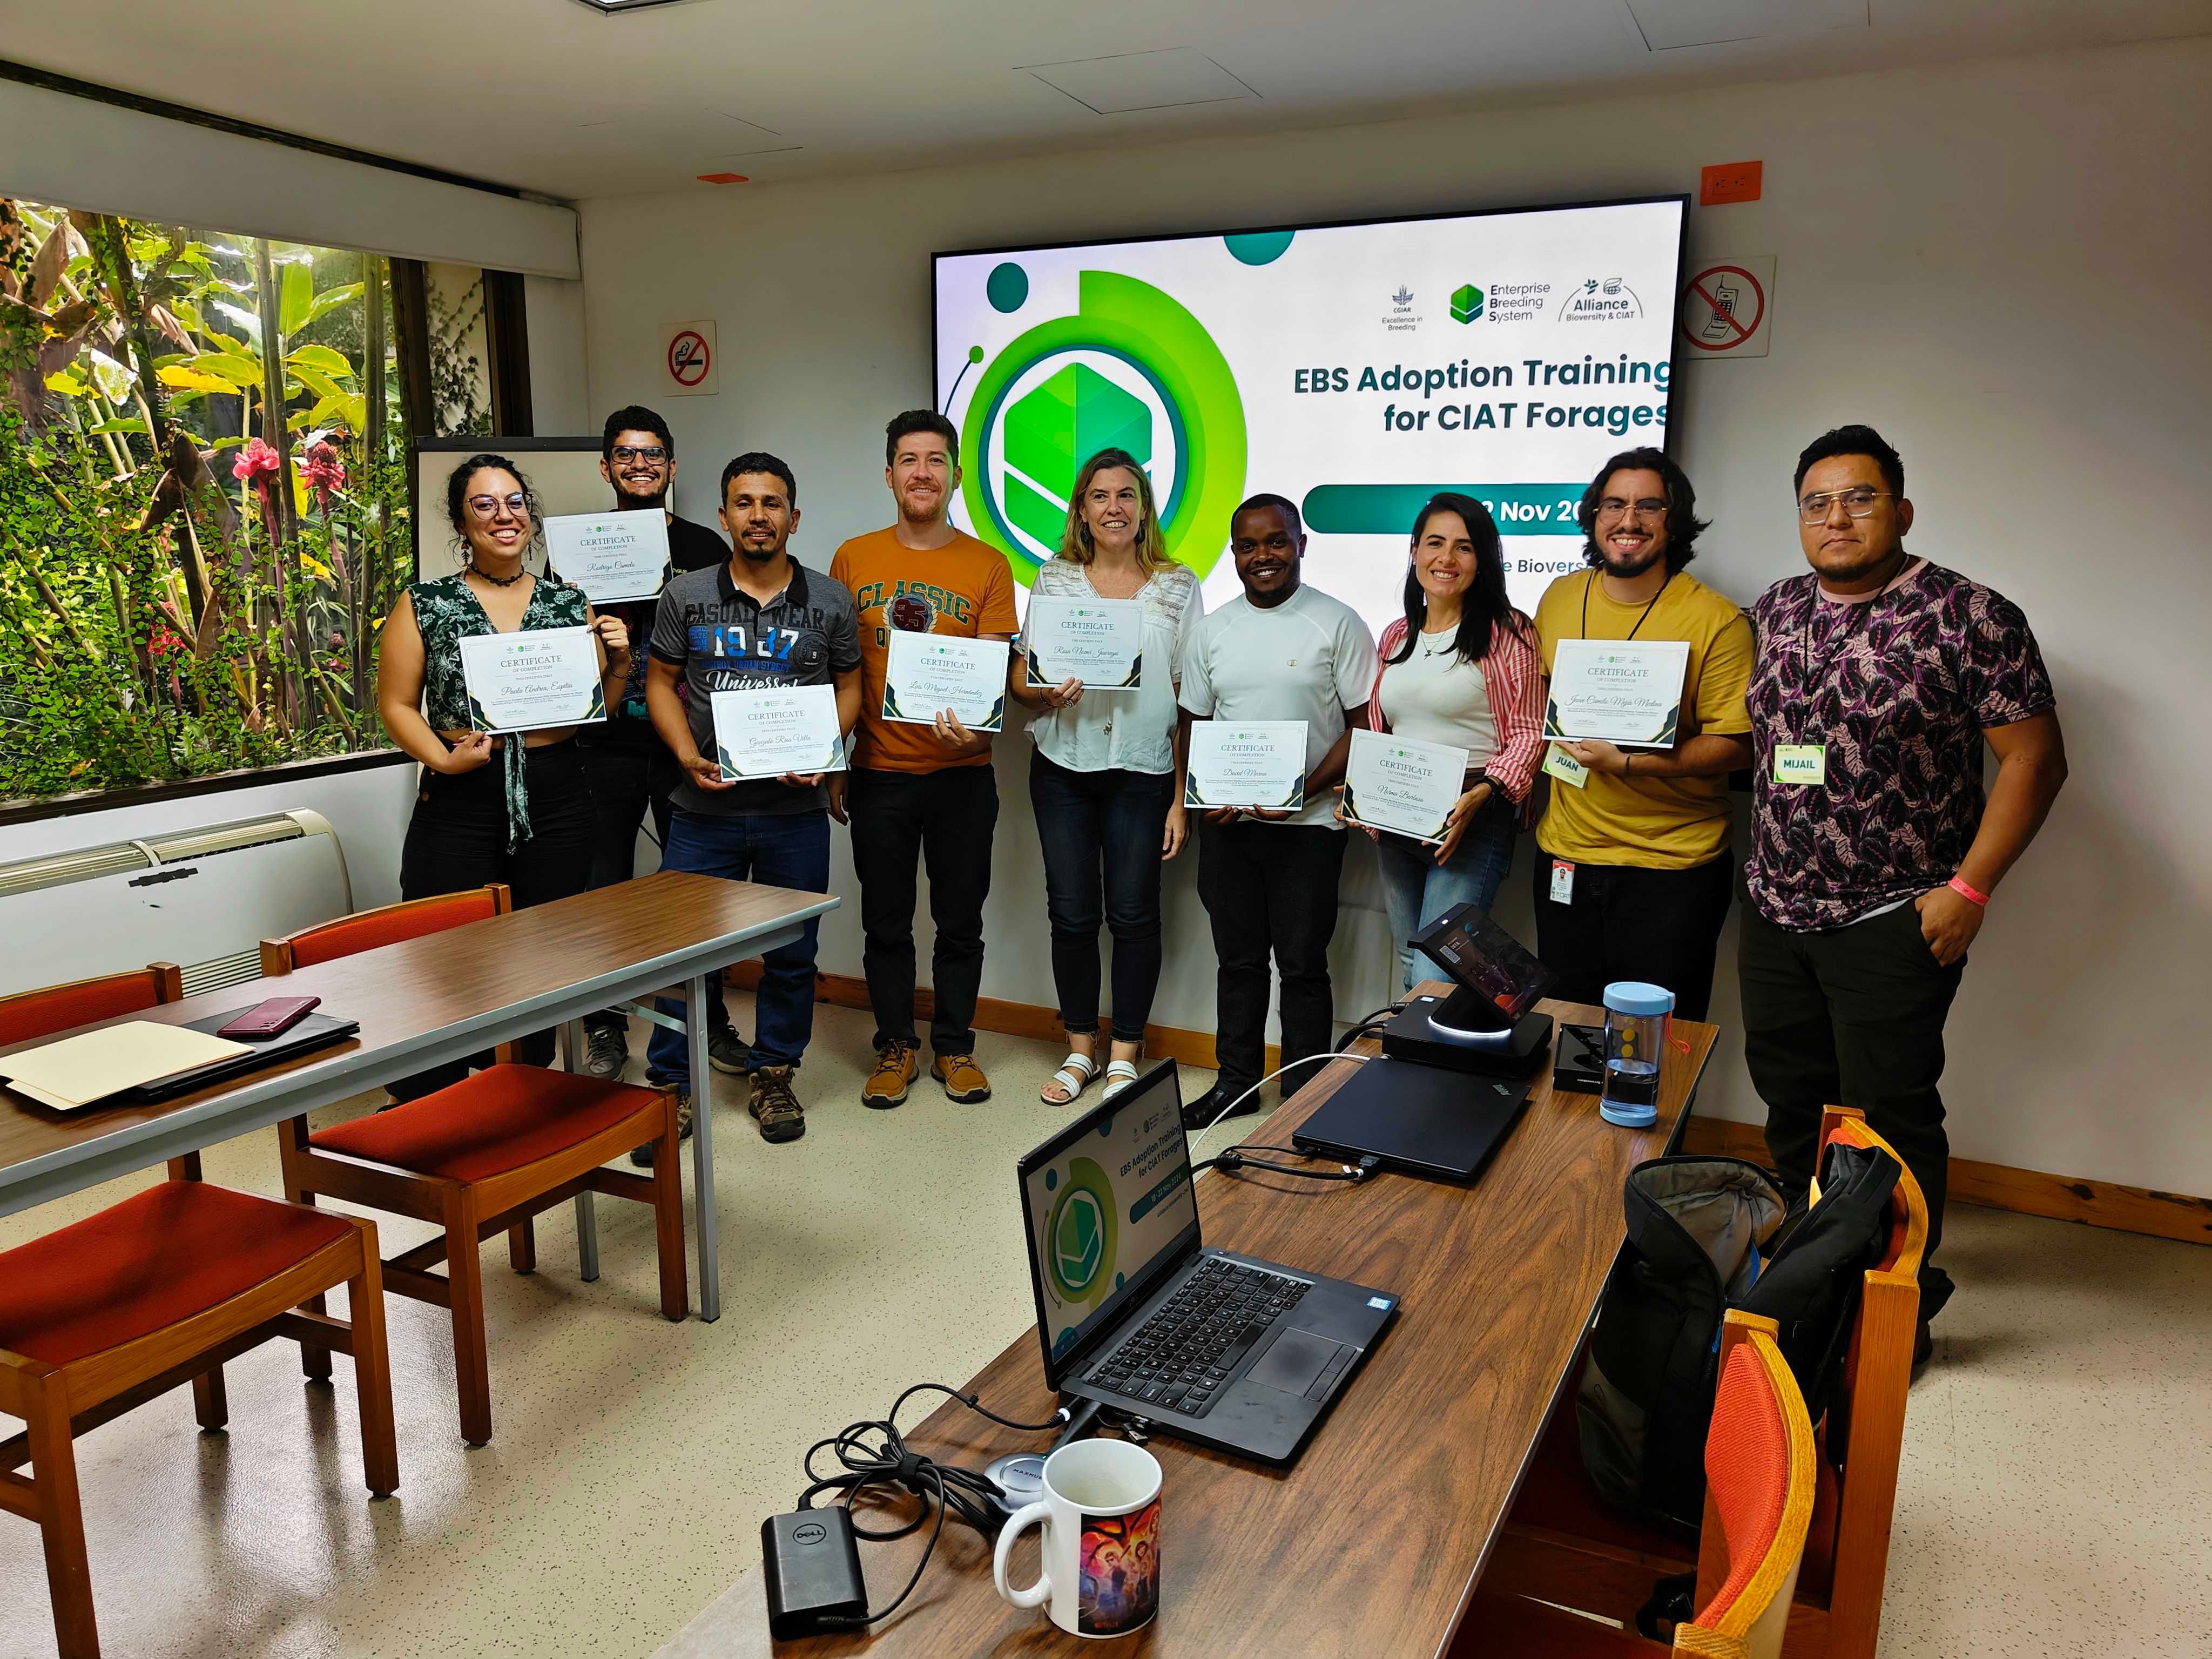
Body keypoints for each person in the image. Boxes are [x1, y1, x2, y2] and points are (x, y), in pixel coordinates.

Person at [1741, 424, 2067, 1359]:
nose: (1835, 516)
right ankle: (1810, 1280)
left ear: (1902, 509)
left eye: (1859, 497)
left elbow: (2035, 762)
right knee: (1794, 1103)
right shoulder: (1774, 610)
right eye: (1816, 501)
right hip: (1774, 909)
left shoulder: (1972, 615)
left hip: (1895, 913)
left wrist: (1970, 887)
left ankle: (1894, 1315)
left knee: (1889, 1114)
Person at [375, 454, 631, 1099]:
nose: (503, 516)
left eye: (514, 501)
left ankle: (517, 1087)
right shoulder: (426, 603)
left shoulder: (568, 601)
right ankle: (433, 1095)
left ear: (531, 513)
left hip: (557, 795)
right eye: (484, 504)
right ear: (463, 520)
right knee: (447, 946)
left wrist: (621, 661)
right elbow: (396, 705)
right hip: (462, 793)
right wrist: (440, 758)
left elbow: (593, 705)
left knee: (539, 949)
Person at [640, 453, 861, 1152]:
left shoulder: (828, 600)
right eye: (744, 502)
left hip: (793, 815)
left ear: (793, 518)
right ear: (724, 515)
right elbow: (658, 682)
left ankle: (773, 1072)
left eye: (772, 503)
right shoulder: (685, 596)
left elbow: (851, 686)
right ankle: (670, 1085)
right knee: (680, 955)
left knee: (792, 954)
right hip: (702, 811)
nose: (758, 515)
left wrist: (824, 748)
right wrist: (683, 754)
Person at [828, 412, 1019, 1109]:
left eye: (936, 461)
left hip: (962, 780)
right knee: (885, 922)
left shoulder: (987, 564)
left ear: (956, 476)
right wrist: (833, 760)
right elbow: (837, 669)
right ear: (888, 475)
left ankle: (954, 1048)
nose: (921, 473)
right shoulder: (853, 558)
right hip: (878, 774)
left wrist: (978, 736)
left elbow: (996, 671)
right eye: (908, 460)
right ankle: (895, 1046)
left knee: (960, 923)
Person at [1177, 493, 1378, 1132]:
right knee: (1236, 964)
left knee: (1301, 966)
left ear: (1299, 544)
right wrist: (1200, 797)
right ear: (1233, 553)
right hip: (1230, 831)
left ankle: (1303, 1099)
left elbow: (1362, 728)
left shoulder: (1337, 622)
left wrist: (1298, 789)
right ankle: (1235, 1085)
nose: (1262, 556)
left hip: (1310, 829)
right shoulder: (1212, 632)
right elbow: (1193, 724)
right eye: (1247, 545)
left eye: (1275, 542)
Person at [1530, 449, 1754, 1021]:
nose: (1628, 520)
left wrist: (1627, 763)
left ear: (1673, 520)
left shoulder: (1715, 619)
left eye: (1648, 505)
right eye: (1614, 504)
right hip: (1567, 857)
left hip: (1670, 870)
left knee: (1656, 1047)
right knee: (1568, 1032)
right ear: (1593, 515)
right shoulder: (1557, 598)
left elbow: (1734, 746)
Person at [1007, 448, 1201, 1105]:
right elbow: (1022, 682)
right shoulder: (1054, 578)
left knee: (1135, 915)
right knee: (1071, 914)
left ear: (1144, 507)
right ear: (1081, 511)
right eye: (1099, 496)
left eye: (1126, 495)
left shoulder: (1178, 585)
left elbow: (1188, 698)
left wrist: (1180, 798)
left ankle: (1126, 1053)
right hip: (1063, 764)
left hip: (1144, 771)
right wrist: (1043, 695)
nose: (1113, 508)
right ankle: (1080, 1050)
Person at [571, 406, 740, 1084]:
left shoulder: (706, 548)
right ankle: (605, 1027)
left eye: (652, 455)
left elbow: (733, 643)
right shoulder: (575, 547)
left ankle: (711, 1019)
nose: (638, 465)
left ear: (671, 467)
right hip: (603, 743)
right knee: (603, 891)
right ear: (606, 467)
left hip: (686, 742)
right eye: (625, 454)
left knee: (697, 892)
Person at [1353, 492, 1543, 993]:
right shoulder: (1396, 634)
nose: (1446, 559)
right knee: (1410, 954)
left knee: (1440, 970)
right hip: (1398, 816)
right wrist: (1358, 790)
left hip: (1472, 815)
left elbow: (1528, 732)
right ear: (1415, 551)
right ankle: (1418, 1068)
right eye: (1435, 543)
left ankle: (1441, 1068)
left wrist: (1485, 793)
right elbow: (1382, 727)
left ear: (1482, 560)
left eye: (1464, 547)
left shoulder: (1509, 632)